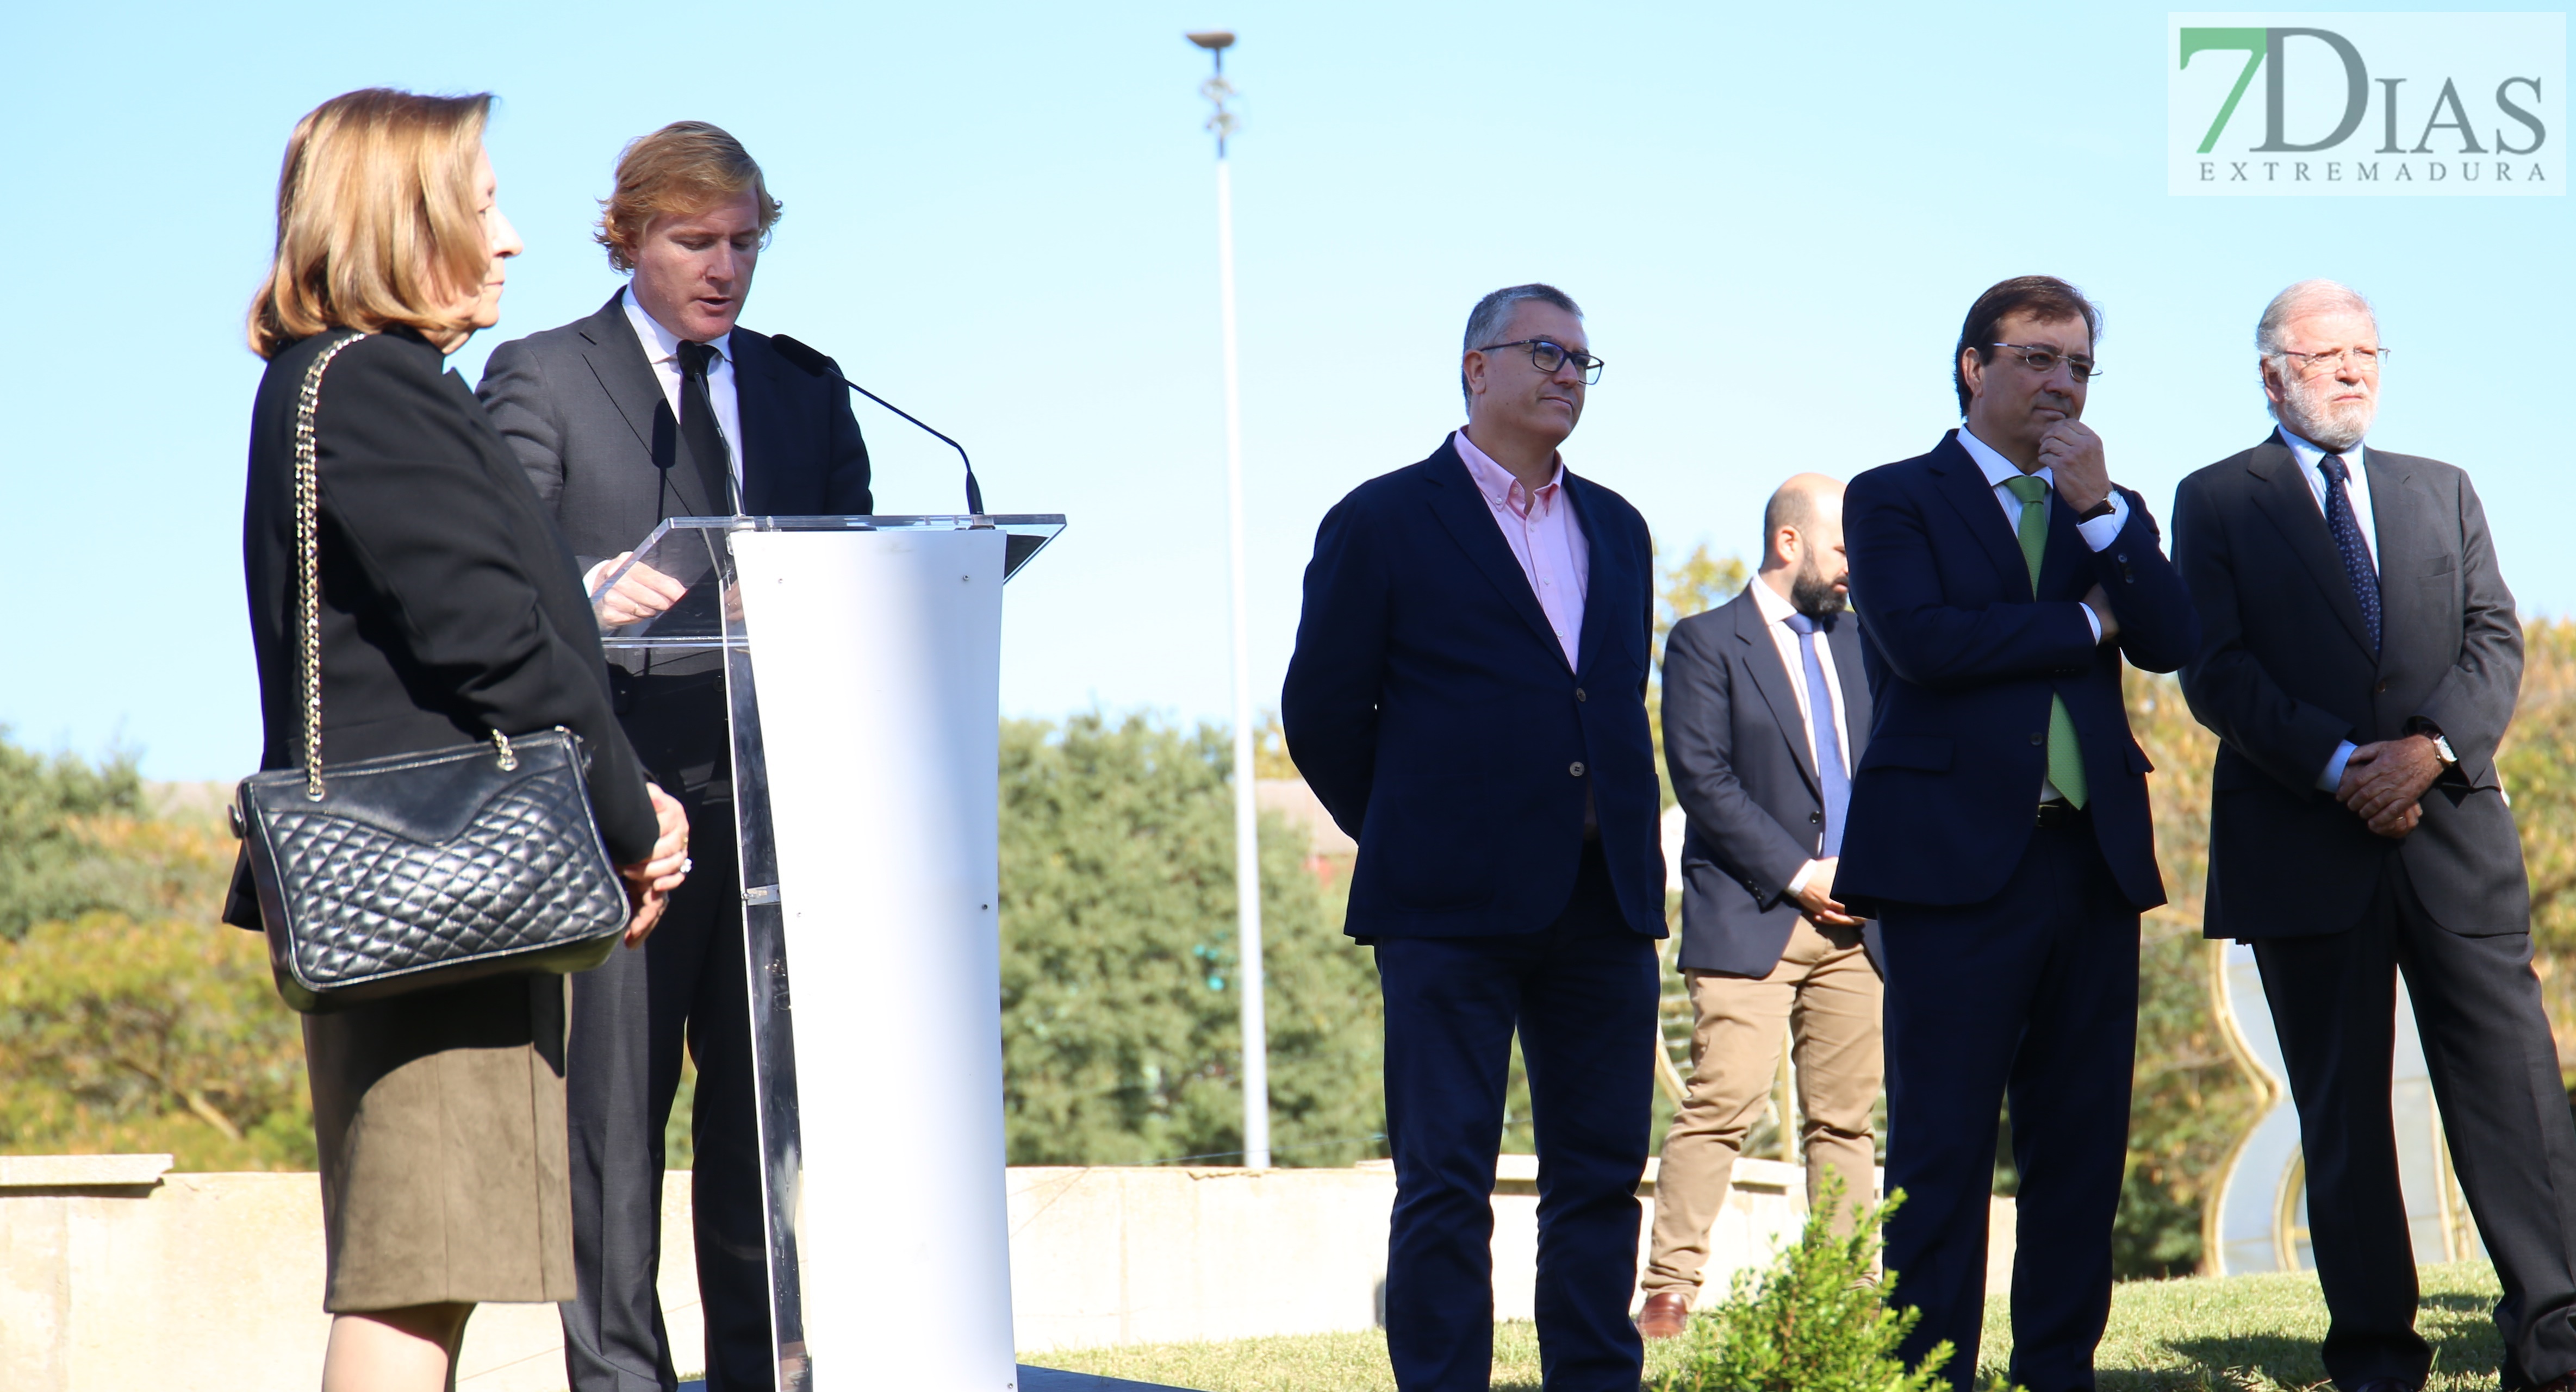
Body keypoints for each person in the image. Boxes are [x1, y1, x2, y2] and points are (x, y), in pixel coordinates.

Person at [228, 89, 688, 1392]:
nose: (512, 241)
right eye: (484, 207)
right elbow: (497, 643)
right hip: (437, 894)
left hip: (430, 891)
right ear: (406, 220)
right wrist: (629, 812)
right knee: (416, 1278)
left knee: (432, 1270)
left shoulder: (339, 386)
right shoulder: (374, 389)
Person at [476, 121, 872, 1392]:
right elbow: (498, 581)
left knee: (764, 1136)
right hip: (617, 809)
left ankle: (768, 1375)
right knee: (615, 1137)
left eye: (743, 243)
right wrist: (592, 589)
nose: (724, 269)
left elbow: (858, 569)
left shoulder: (807, 385)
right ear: (630, 236)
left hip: (772, 813)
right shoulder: (541, 375)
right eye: (694, 242)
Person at [2175, 280, 2576, 1392]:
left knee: (2513, 1098)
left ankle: (2555, 1343)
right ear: (2272, 375)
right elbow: (2213, 670)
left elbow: (2494, 637)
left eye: (2366, 352)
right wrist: (2340, 767)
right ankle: (2372, 1359)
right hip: (2304, 846)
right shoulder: (2213, 501)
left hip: (2452, 843)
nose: (2353, 371)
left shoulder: (2439, 490)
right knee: (2342, 1119)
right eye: (2325, 355)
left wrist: (2428, 750)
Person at [1283, 284, 1664, 1392]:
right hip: (1446, 910)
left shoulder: (1620, 528)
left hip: (1601, 901)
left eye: (1582, 362)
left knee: (1597, 1179)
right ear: (1474, 368)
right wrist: (1416, 833)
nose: (1565, 375)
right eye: (1545, 352)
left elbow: (1600, 706)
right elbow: (1319, 716)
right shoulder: (1383, 519)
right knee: (1445, 1182)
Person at [1837, 276, 2199, 1391]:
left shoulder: (2108, 507)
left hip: (2087, 861)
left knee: (2079, 1149)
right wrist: (2077, 620)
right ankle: (1928, 1373)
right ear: (1972, 366)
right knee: (1940, 1149)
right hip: (1950, 866)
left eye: (2078, 366)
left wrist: (2101, 522)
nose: (2059, 384)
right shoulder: (1893, 497)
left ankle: (2056, 1372)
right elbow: (1926, 645)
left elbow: (2169, 635)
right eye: (2037, 358)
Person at [1637, 473, 1878, 1340]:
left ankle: (1846, 1296)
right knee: (1722, 1102)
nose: (1857, 566)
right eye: (1844, 546)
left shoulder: (1867, 641)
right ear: (1790, 542)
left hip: (1863, 927)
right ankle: (1668, 1291)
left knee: (1845, 1121)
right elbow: (1702, 780)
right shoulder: (1704, 642)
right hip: (1752, 915)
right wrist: (1800, 874)